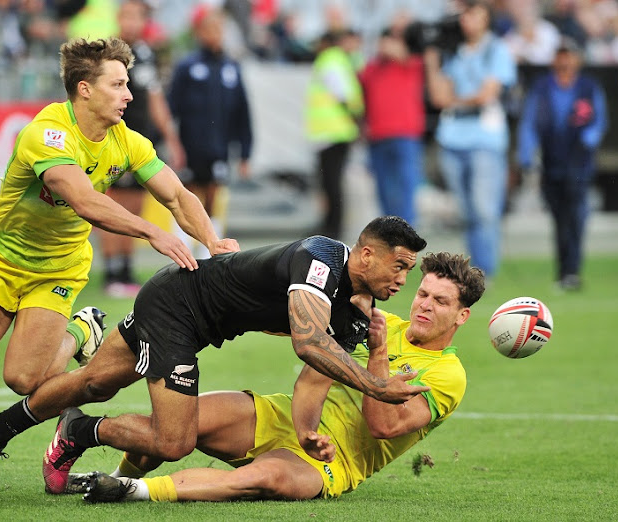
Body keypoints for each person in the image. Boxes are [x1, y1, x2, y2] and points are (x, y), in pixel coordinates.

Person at [0, 37, 240, 494]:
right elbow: (83, 201)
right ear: (85, 88)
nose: (129, 94)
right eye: (118, 84)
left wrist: (212, 241)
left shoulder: (129, 142)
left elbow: (178, 196)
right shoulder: (46, 133)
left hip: (58, 268)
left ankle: (82, 331)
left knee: (23, 379)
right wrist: (152, 232)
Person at [0, 216, 430, 496]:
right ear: (366, 255)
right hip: (178, 305)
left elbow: (313, 377)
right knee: (174, 442)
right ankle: (79, 429)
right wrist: (377, 384)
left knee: (94, 382)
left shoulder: (352, 318)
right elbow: (307, 341)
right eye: (400, 266)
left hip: (198, 321)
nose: (403, 280)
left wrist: (306, 432)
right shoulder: (321, 256)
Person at [69, 251, 485, 502]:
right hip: (285, 416)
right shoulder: (379, 321)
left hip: (334, 459)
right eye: (423, 294)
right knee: (179, 423)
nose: (424, 306)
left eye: (440, 301)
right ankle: (98, 454)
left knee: (264, 478)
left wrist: (377, 354)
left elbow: (383, 425)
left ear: (462, 315)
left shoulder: (449, 375)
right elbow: (308, 351)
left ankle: (135, 493)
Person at [99, 0, 186, 298]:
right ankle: (111, 271)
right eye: (129, 17)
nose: (133, 23)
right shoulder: (108, 54)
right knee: (115, 206)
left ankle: (126, 268)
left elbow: (155, 99)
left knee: (135, 207)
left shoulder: (145, 54)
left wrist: (170, 137)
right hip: (114, 139)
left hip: (141, 142)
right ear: (119, 18)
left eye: (138, 17)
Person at [424, 0, 517, 278]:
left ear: (486, 18)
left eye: (473, 14)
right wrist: (431, 61)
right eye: (465, 15)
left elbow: (486, 95)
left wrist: (455, 100)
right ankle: (476, 266)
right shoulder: (454, 51)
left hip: (484, 139)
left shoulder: (496, 49)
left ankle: (484, 269)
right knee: (466, 212)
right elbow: (438, 97)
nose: (467, 21)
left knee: (485, 209)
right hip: (453, 139)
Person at [517, 38, 608, 291]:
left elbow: (598, 122)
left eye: (569, 55)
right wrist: (527, 154)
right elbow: (530, 123)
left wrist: (588, 141)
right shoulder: (543, 87)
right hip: (552, 162)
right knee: (559, 218)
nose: (564, 61)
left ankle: (572, 270)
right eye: (560, 55)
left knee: (576, 216)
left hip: (578, 164)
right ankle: (563, 270)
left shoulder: (588, 87)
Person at [167, 5, 253, 258]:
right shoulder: (187, 66)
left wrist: (245, 153)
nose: (214, 34)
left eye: (218, 29)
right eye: (208, 29)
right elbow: (170, 107)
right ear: (199, 33)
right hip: (190, 146)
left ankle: (208, 253)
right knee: (187, 195)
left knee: (213, 197)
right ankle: (182, 248)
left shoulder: (231, 68)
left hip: (220, 147)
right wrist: (170, 143)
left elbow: (243, 113)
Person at [359, 18, 426, 227]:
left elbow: (409, 56)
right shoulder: (372, 68)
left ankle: (407, 231)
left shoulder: (411, 62)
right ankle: (389, 232)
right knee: (384, 188)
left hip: (405, 134)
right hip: (378, 135)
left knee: (406, 185)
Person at [305, 29, 364, 240]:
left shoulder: (330, 59)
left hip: (333, 132)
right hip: (335, 131)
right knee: (331, 183)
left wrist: (357, 121)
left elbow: (342, 95)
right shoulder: (341, 60)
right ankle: (330, 226)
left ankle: (332, 228)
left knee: (331, 184)